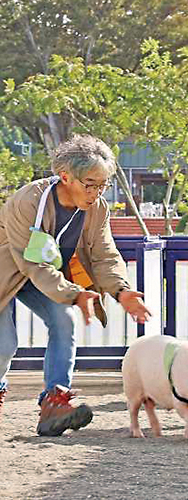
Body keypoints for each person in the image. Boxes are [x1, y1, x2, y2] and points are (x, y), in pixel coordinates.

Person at [0, 135, 151, 435]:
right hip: (8, 271)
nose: (96, 192)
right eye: (89, 184)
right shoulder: (28, 201)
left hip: (47, 276)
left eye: (103, 185)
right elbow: (33, 263)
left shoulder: (97, 210)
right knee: (5, 345)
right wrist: (74, 293)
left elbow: (104, 255)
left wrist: (121, 290)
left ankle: (55, 402)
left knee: (64, 320)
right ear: (65, 176)